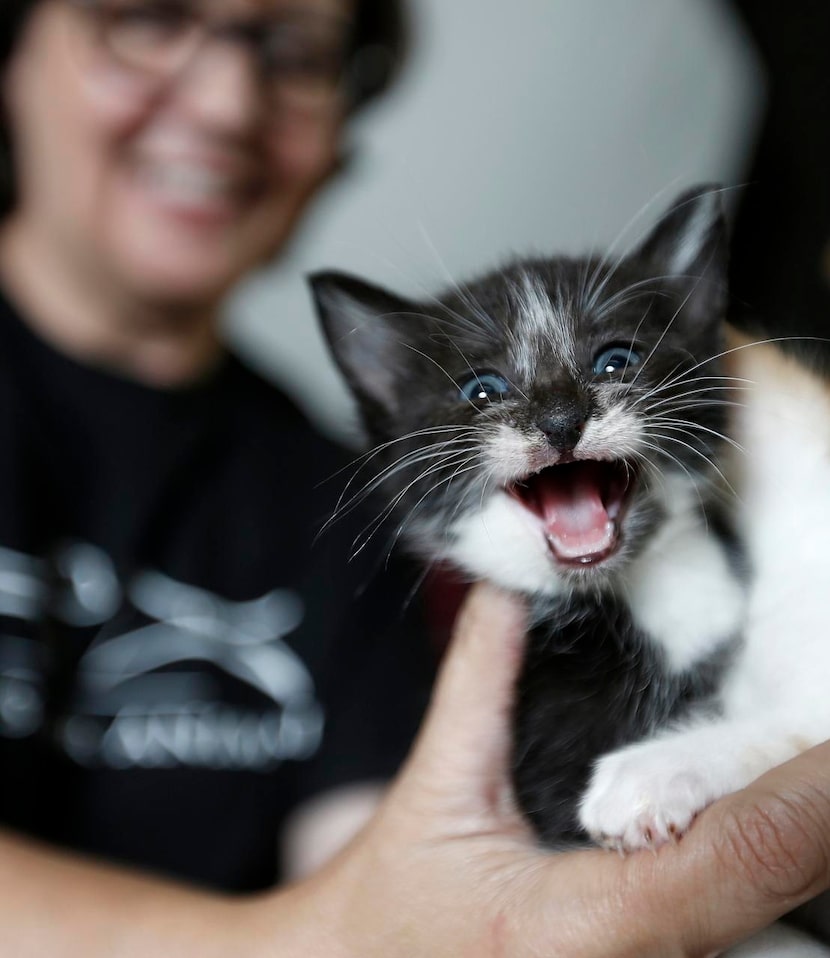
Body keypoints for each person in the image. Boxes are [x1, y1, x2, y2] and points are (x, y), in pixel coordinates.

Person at [0, 0, 830, 954]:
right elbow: (357, 925)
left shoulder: (341, 500)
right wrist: (308, 940)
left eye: (291, 50)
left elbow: (390, 870)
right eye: (145, 17)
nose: (227, 101)